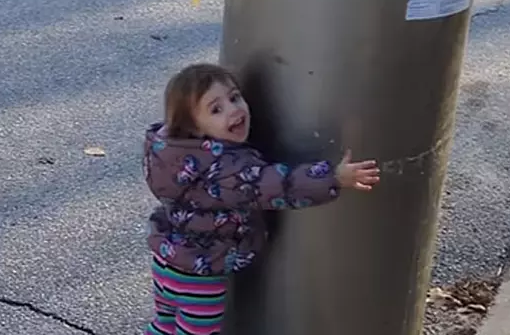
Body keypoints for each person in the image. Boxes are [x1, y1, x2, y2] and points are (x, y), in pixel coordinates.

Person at [143, 63, 381, 335]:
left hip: (166, 261)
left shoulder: (167, 152)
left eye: (234, 97)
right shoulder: (227, 168)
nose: (233, 110)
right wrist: (334, 178)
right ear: (194, 128)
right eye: (216, 109)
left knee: (163, 325)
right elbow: (279, 185)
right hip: (200, 274)